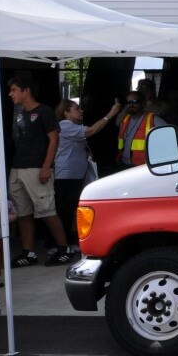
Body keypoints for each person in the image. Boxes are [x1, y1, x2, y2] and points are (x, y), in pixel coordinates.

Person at [7, 75, 73, 268]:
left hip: (36, 167)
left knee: (46, 210)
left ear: (26, 90)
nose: (10, 94)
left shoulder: (44, 111)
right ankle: (28, 253)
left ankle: (64, 249)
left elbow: (54, 139)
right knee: (23, 212)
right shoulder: (19, 113)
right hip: (18, 167)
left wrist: (46, 166)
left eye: (14, 90)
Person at [54, 99, 122, 256]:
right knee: (64, 210)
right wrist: (111, 113)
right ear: (66, 113)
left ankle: (69, 242)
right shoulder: (65, 125)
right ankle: (62, 245)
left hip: (75, 174)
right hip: (66, 175)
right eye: (77, 109)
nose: (81, 111)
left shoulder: (73, 127)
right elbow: (92, 131)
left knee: (71, 209)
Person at [114, 91, 166, 170]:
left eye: (135, 102)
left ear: (142, 103)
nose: (131, 105)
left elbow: (170, 138)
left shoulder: (153, 119)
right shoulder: (125, 119)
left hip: (143, 167)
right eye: (128, 102)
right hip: (124, 164)